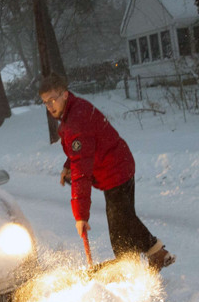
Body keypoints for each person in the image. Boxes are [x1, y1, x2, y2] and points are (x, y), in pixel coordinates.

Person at [39, 73, 175, 271]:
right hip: (118, 164)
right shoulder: (74, 112)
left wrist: (81, 216)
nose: (50, 106)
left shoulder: (76, 120)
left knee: (121, 226)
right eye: (45, 102)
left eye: (53, 99)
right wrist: (68, 164)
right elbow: (82, 151)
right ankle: (146, 260)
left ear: (65, 94)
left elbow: (82, 172)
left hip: (115, 171)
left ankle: (146, 261)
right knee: (124, 221)